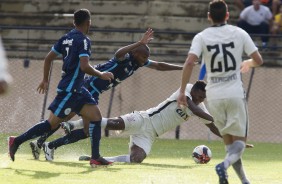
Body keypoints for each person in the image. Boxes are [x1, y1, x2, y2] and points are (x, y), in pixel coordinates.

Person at [29, 29, 183, 161]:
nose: (145, 60)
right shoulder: (126, 58)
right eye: (143, 57)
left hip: (94, 92)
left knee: (86, 130)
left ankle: (48, 144)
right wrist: (139, 42)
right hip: (87, 87)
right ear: (135, 53)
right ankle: (42, 143)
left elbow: (159, 66)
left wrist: (182, 67)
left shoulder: (137, 63)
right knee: (65, 118)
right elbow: (118, 53)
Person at [8, 9, 115, 168]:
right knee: (52, 123)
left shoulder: (65, 38)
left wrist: (45, 79)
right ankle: (16, 141)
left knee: (96, 117)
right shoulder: (84, 40)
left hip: (78, 90)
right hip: (70, 90)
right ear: (88, 23)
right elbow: (84, 66)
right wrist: (101, 74)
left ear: (74, 22)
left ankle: (95, 157)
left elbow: (48, 58)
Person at [177, 1, 263, 184]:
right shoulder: (239, 33)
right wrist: (248, 63)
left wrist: (183, 91)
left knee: (230, 145)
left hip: (214, 96)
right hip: (234, 93)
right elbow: (258, 59)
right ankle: (223, 166)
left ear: (209, 16)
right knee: (239, 142)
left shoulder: (201, 36)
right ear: (227, 15)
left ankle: (244, 181)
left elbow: (190, 62)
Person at [48, 81, 222, 163]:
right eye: (199, 97)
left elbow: (211, 125)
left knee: (136, 159)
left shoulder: (200, 105)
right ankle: (74, 124)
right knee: (114, 124)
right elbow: (196, 109)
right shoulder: (187, 90)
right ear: (195, 90)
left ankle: (99, 159)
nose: (200, 100)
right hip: (144, 119)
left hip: (150, 134)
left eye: (202, 99)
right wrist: (216, 117)